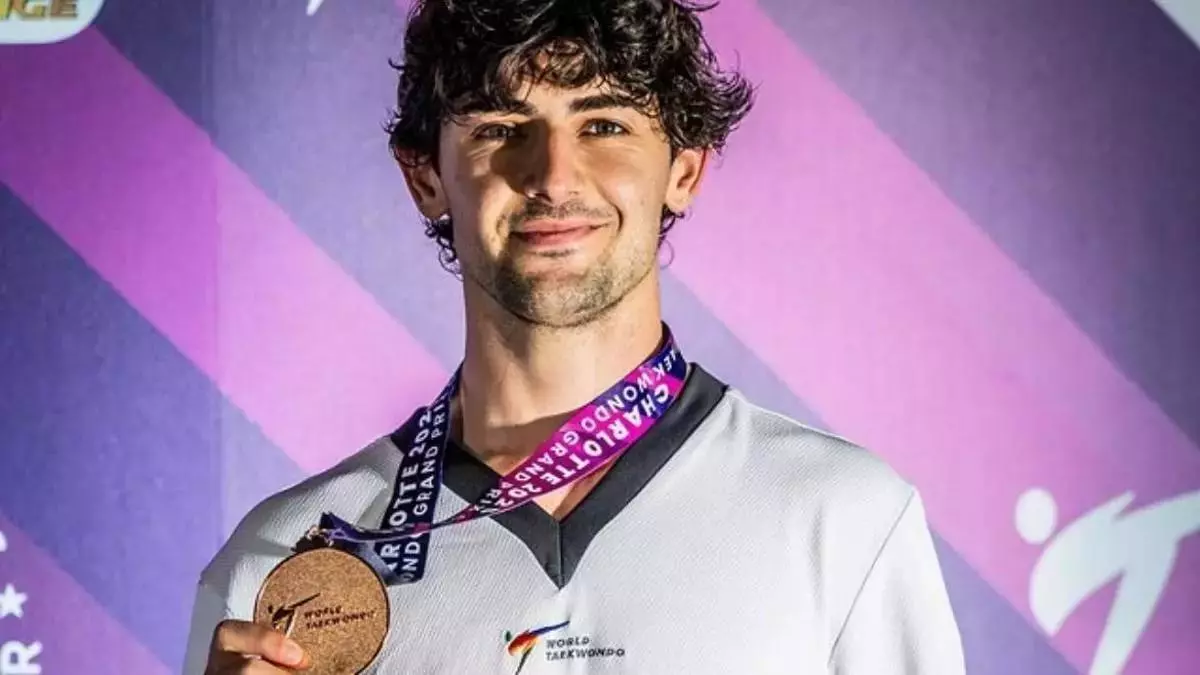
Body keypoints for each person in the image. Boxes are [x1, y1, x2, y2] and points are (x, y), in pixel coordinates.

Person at [185, 0, 966, 672]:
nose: (554, 175)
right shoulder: (282, 569)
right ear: (426, 177)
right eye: (502, 127)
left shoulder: (844, 519)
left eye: (602, 123)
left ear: (684, 170)